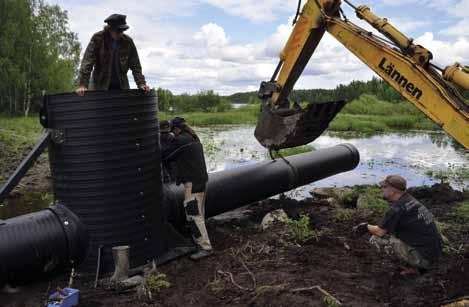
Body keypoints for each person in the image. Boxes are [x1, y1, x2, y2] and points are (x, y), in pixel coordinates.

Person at [353, 175, 442, 276]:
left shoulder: (397, 208)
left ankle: (416, 267)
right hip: (435, 253)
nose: (381, 189)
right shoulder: (410, 200)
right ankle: (416, 265)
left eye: (384, 187)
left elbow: (380, 231)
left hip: (425, 259)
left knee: (375, 239)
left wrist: (365, 226)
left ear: (393, 191)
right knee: (393, 235)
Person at [161, 117, 213, 260]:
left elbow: (165, 156)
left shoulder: (181, 140)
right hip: (200, 181)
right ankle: (202, 244)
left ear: (176, 129)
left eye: (172, 131)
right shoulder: (192, 138)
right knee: (198, 214)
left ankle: (205, 248)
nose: (172, 134)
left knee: (193, 215)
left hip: (193, 183)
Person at [76, 14, 150, 96]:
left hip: (121, 87)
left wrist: (141, 84)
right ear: (110, 29)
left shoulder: (128, 42)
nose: (120, 33)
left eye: (122, 31)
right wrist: (82, 85)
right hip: (99, 87)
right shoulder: (98, 39)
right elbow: (87, 63)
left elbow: (136, 66)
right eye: (118, 31)